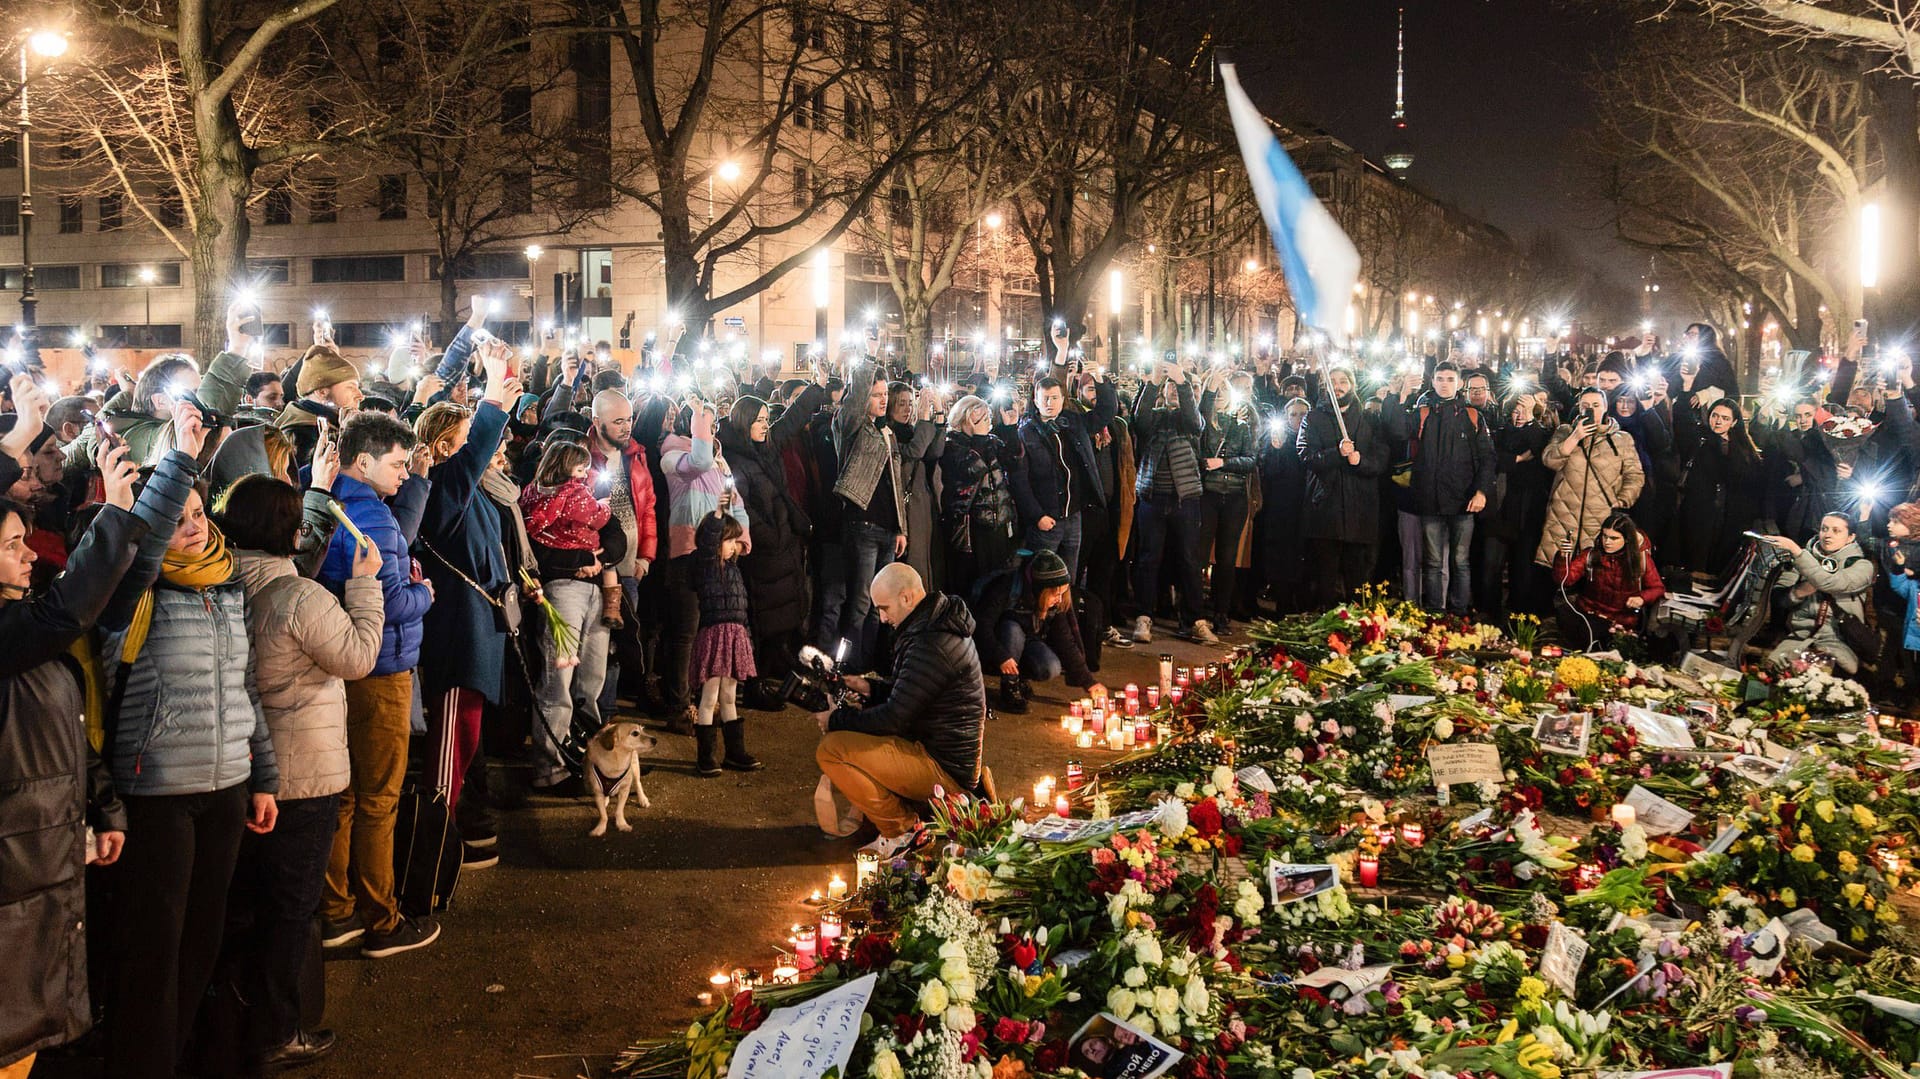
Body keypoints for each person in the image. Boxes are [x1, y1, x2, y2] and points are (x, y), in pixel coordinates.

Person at [101, 415, 280, 1079]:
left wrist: (263, 775)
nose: (194, 525)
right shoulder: (133, 586)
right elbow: (141, 551)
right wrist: (179, 459)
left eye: (199, 512)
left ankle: (174, 1059)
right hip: (158, 793)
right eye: (178, 517)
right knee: (154, 949)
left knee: (202, 941)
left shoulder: (226, 582)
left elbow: (246, 688)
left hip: (227, 785)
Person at [0, 427, 170, 1077]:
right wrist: (120, 512)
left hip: (41, 864)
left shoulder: (27, 627)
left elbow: (64, 733)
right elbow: (68, 611)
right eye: (12, 545)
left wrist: (99, 812)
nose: (29, 557)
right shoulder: (19, 631)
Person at [220, 473, 384, 1067]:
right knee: (290, 909)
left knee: (243, 903)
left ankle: (231, 1022)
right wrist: (365, 587)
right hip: (303, 776)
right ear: (289, 531)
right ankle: (277, 1031)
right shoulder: (302, 599)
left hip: (237, 771)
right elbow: (358, 658)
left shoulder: (220, 586)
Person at [317, 412, 439, 959]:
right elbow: (388, 602)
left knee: (342, 796)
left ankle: (336, 912)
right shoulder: (376, 519)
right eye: (396, 464)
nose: (403, 474)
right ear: (363, 461)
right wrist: (426, 595)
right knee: (379, 798)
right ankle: (382, 919)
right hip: (383, 669)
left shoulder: (323, 502)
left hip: (335, 669)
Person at [814, 563, 985, 859]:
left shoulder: (931, 642)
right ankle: (906, 821)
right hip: (944, 753)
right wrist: (869, 688)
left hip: (944, 768)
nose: (882, 618)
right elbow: (911, 692)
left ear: (907, 598)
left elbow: (894, 718)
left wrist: (836, 720)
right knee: (850, 739)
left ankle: (903, 832)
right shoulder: (932, 627)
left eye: (884, 607)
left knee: (832, 750)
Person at [415, 341, 517, 823]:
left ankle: (449, 822)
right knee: (452, 737)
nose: (484, 453)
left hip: (481, 617)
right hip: (458, 627)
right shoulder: (441, 488)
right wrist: (493, 392)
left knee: (469, 733)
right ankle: (436, 832)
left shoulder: (467, 490)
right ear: (441, 449)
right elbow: (475, 451)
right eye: (463, 441)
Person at [519, 439, 617, 792]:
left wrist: (602, 559)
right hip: (563, 590)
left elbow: (613, 533)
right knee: (558, 681)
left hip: (593, 590)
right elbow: (599, 518)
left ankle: (590, 760)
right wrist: (582, 560)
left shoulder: (566, 495)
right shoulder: (566, 495)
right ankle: (550, 770)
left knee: (592, 678)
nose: (586, 474)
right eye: (581, 467)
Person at [718, 384, 825, 695]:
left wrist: (816, 387)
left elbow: (791, 420)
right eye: (759, 420)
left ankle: (779, 659)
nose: (766, 425)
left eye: (767, 419)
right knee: (766, 611)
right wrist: (772, 536)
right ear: (744, 423)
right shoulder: (737, 460)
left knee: (788, 606)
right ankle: (759, 671)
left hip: (785, 541)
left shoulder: (766, 446)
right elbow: (741, 505)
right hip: (766, 548)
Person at [1382, 362, 1494, 615]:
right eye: (1440, 378)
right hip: (1429, 501)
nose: (1444, 383)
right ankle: (1435, 613)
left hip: (1463, 500)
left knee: (1460, 561)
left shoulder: (1472, 415)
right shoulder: (1423, 412)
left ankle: (1459, 612)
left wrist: (1481, 492)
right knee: (1432, 562)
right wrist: (1401, 396)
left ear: (1459, 383)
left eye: (1450, 379)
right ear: (1432, 381)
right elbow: (1398, 431)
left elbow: (1488, 457)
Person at [1008, 338, 1119, 585]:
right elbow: (1019, 481)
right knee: (1041, 579)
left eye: (1055, 398)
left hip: (1074, 517)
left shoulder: (1073, 421)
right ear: (1035, 401)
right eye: (1045, 398)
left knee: (1069, 578)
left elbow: (1106, 412)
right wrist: (1037, 516)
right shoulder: (1026, 431)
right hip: (1047, 519)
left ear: (1062, 399)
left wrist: (1099, 380)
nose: (1050, 403)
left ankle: (1065, 621)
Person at [830, 361, 909, 669]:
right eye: (876, 394)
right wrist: (866, 364)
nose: (883, 399)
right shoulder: (851, 427)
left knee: (880, 604)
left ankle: (871, 665)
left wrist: (901, 528)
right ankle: (848, 666)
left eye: (885, 393)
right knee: (860, 602)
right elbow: (850, 408)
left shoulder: (887, 432)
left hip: (887, 530)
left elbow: (895, 481)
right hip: (862, 524)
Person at [1128, 360, 1211, 643]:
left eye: (1178, 386)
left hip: (1185, 499)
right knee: (1148, 559)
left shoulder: (1189, 420)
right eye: (1170, 386)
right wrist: (1152, 382)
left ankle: (1195, 619)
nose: (1173, 390)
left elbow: (1194, 420)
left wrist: (1183, 382)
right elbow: (1139, 420)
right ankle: (1144, 616)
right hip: (1152, 498)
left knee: (1189, 560)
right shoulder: (1154, 418)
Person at [1300, 366, 1389, 603]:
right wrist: (1336, 453)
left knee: (1357, 574)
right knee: (1325, 573)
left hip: (1360, 508)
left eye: (1343, 382)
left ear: (1353, 385)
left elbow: (1381, 458)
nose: (1338, 387)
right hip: (1326, 507)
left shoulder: (1369, 419)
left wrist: (1361, 461)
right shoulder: (1313, 418)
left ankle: (1355, 622)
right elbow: (1306, 455)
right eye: (1332, 382)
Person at [973, 549, 1101, 712]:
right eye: (1055, 594)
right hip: (998, 644)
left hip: (1029, 640)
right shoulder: (1007, 587)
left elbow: (1065, 641)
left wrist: (1089, 682)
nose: (1059, 599)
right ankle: (1009, 689)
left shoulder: (1055, 604)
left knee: (1050, 667)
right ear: (1042, 589)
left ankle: (1020, 678)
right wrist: (1001, 656)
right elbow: (982, 625)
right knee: (1013, 629)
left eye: (1063, 593)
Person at [1535, 388, 1645, 568]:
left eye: (1596, 405)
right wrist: (1575, 436)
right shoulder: (1566, 431)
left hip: (1601, 516)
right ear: (1579, 407)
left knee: (1593, 572)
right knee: (1559, 572)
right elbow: (1549, 461)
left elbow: (1634, 474)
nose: (1591, 409)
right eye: (1586, 405)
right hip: (1563, 515)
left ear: (1605, 406)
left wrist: (1623, 499)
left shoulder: (1621, 439)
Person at [691, 511, 762, 775]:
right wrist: (719, 516)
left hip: (734, 635)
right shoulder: (707, 565)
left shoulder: (734, 570)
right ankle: (706, 756)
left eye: (736, 541)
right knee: (709, 697)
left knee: (730, 696)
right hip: (714, 635)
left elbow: (742, 609)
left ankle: (734, 753)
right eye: (729, 540)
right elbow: (709, 541)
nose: (734, 546)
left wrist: (745, 639)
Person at [1762, 513, 1875, 673]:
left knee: (1821, 685)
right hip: (1798, 638)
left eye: (1836, 531)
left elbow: (1832, 583)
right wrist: (1797, 593)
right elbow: (1779, 600)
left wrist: (1797, 552)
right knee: (1766, 679)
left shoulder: (1861, 566)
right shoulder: (1801, 561)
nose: (1828, 535)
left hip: (1840, 642)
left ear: (1850, 537)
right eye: (1824, 529)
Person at [1671, 398, 1763, 582]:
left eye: (1725, 418)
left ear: (1734, 422)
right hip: (1699, 508)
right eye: (1715, 416)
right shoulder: (1700, 439)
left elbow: (1748, 479)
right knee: (1696, 557)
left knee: (1719, 562)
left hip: (1730, 513)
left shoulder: (1742, 447)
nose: (1718, 421)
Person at [939, 394, 1021, 596]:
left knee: (998, 585)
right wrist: (978, 439)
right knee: (974, 586)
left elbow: (1013, 462)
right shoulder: (951, 445)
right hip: (972, 529)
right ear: (964, 420)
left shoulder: (990, 441)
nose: (985, 423)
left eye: (986, 418)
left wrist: (1011, 429)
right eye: (978, 419)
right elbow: (970, 471)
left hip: (998, 523)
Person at [1196, 368, 1259, 632]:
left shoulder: (1240, 424)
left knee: (1226, 558)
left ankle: (1221, 614)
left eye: (1224, 391)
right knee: (1198, 556)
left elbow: (1250, 460)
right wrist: (1209, 387)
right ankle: (1194, 612)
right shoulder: (1202, 425)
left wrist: (1223, 462)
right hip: (1207, 496)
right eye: (1216, 392)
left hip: (1233, 498)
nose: (1220, 396)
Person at [1550, 512, 1665, 650]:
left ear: (1626, 539)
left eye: (1614, 538)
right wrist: (1563, 557)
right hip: (1588, 614)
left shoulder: (1640, 560)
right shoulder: (1591, 554)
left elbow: (1658, 588)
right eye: (1604, 536)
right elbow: (1565, 580)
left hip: (1619, 621)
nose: (1607, 542)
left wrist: (1642, 598)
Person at [275, 344, 365, 468]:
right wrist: (347, 437)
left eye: (358, 387)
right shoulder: (300, 435)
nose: (360, 395)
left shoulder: (333, 424)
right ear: (322, 392)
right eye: (350, 387)